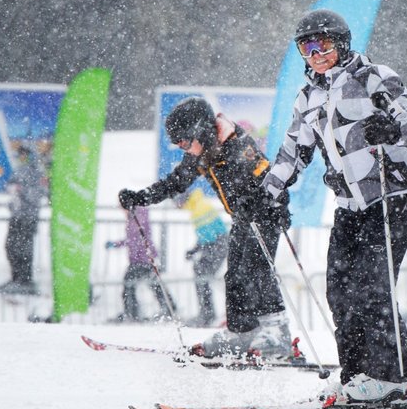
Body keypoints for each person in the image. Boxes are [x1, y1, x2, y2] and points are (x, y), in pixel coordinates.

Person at [261, 9, 407, 403]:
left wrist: (394, 129)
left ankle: (393, 376)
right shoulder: (308, 96)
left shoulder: (372, 77)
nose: (316, 53)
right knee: (339, 289)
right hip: (349, 203)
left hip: (393, 194)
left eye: (323, 44)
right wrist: (267, 192)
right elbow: (293, 152)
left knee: (373, 284)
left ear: (342, 43)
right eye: (307, 46)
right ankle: (357, 376)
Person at [117, 97, 294, 359]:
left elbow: (270, 178)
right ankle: (241, 333)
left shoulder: (238, 146)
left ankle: (277, 333)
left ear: (200, 131)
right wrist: (141, 197)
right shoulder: (202, 154)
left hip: (265, 216)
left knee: (256, 271)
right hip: (243, 219)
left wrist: (269, 204)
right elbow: (174, 183)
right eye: (178, 144)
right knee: (234, 276)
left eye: (185, 142)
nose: (183, 149)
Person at [106, 206, 177, 323]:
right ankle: (169, 308)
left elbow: (135, 238)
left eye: (122, 207)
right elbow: (132, 239)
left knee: (130, 284)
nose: (121, 210)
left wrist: (120, 244)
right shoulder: (134, 217)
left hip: (142, 259)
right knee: (153, 284)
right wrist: (116, 244)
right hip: (142, 259)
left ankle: (132, 313)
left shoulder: (137, 216)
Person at [0, 144, 48, 295]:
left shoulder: (36, 171)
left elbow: (38, 194)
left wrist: (22, 191)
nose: (22, 158)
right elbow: (12, 189)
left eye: (25, 155)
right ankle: (16, 278)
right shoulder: (18, 170)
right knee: (11, 247)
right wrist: (13, 195)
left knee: (24, 249)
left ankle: (25, 280)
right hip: (17, 215)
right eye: (20, 155)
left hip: (28, 216)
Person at [176, 188, 229, 327]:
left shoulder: (199, 208)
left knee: (202, 275)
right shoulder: (197, 205)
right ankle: (207, 313)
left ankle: (208, 314)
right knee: (201, 275)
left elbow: (209, 236)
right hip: (217, 244)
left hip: (218, 245)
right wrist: (195, 250)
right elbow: (205, 235)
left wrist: (197, 250)